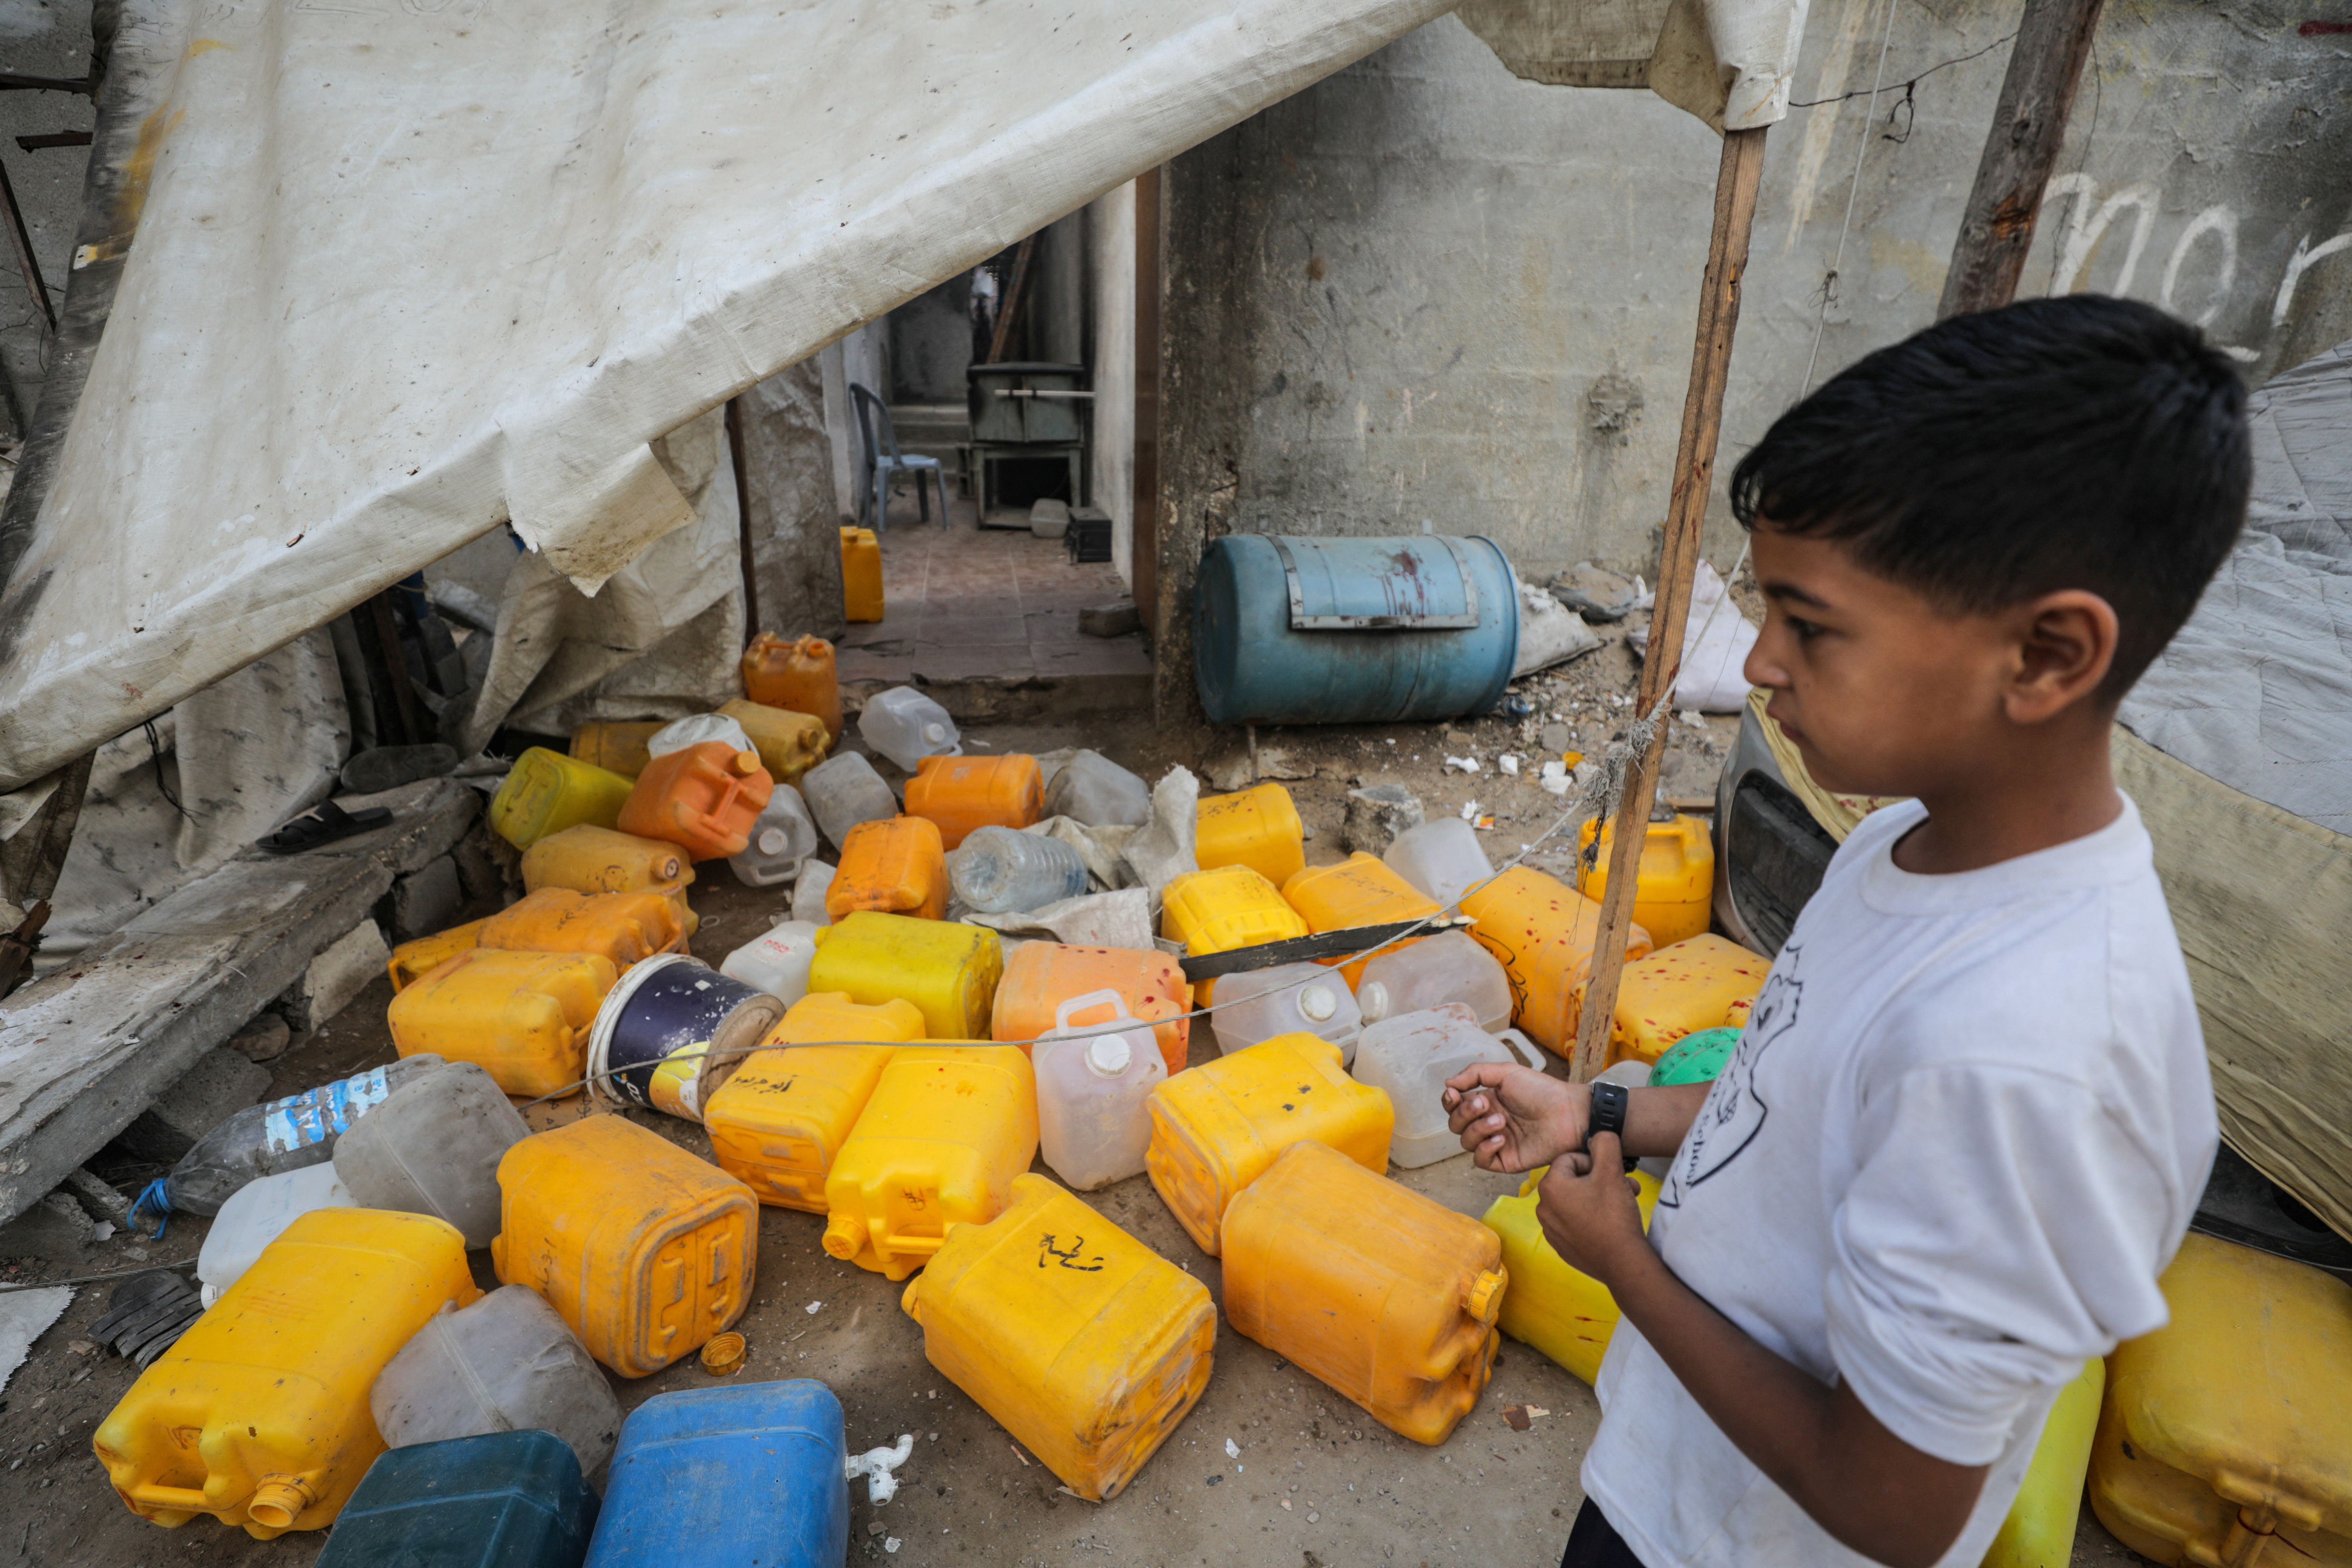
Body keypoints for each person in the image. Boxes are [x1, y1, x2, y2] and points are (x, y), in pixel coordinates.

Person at [1446, 295, 2245, 1568]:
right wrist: (1599, 1116)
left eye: (1807, 624)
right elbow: (1792, 1108)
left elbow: (1897, 1510)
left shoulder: (2022, 1063)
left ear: (2046, 657)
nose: (1758, 663)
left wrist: (1626, 1265)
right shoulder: (1899, 838)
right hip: (1673, 1489)